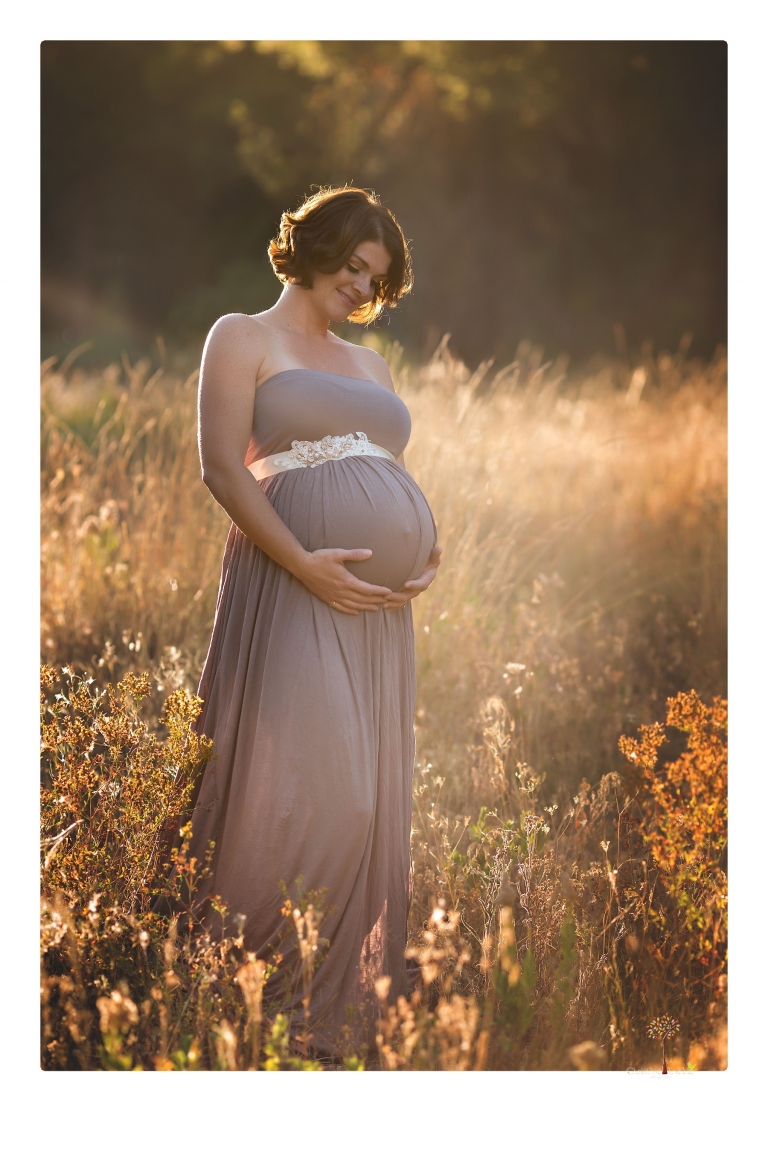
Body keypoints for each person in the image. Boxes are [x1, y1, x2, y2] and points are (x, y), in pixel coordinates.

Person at [178, 186, 441, 1054]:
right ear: (315, 248)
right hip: (291, 586)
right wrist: (306, 565)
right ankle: (255, 990)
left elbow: (383, 466)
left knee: (367, 802)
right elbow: (223, 468)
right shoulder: (241, 336)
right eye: (353, 266)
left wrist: (421, 545)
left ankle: (325, 1019)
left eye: (379, 279)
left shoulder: (371, 366)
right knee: (323, 798)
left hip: (374, 612)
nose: (363, 289)